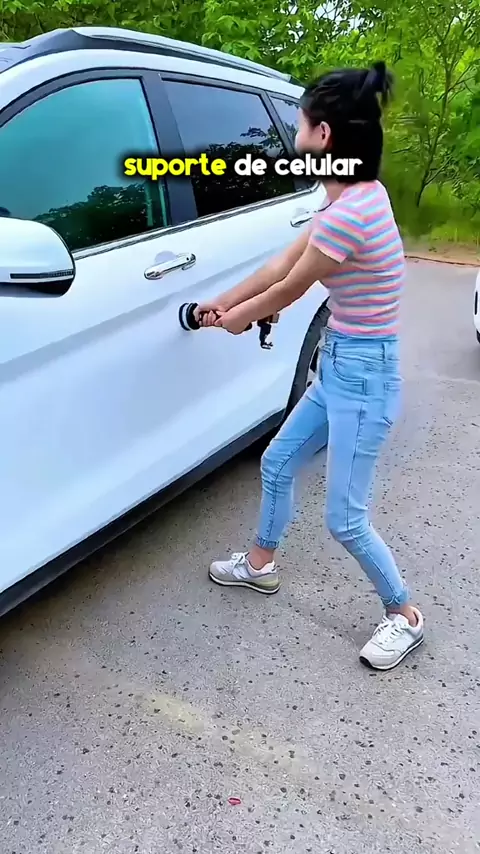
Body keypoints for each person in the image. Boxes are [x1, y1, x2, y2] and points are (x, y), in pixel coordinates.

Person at [195, 61, 424, 671]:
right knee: (277, 462)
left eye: (300, 122)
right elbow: (279, 266)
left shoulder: (351, 212)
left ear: (323, 135)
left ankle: (404, 615)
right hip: (343, 364)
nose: (294, 131)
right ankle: (260, 564)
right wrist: (222, 302)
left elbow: (291, 288)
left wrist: (238, 319)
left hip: (366, 376)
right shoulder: (351, 195)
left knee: (345, 519)